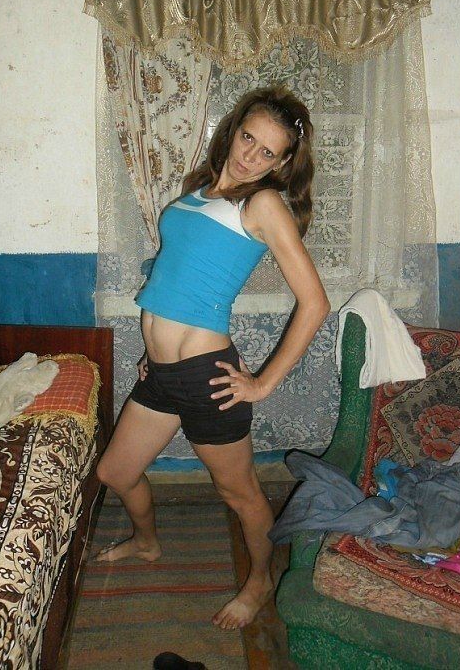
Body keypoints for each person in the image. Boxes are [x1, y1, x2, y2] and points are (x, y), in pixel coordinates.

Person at [95, 84, 330, 630]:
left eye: (267, 152)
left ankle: (260, 580)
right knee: (115, 471)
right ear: (233, 130)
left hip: (208, 376)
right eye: (248, 138)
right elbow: (177, 270)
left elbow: (315, 303)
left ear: (282, 163)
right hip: (161, 372)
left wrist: (263, 383)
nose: (251, 156)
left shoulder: (262, 204)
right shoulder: (196, 192)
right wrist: (153, 346)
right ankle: (147, 543)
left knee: (238, 492)